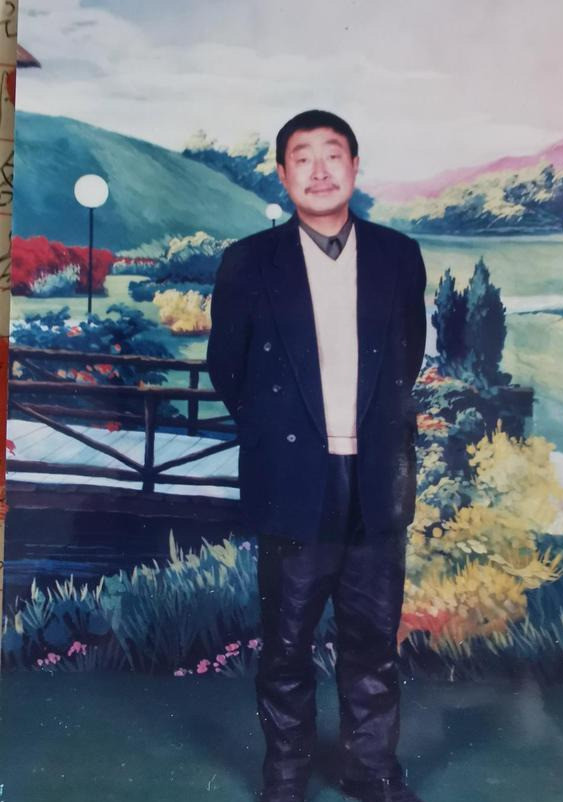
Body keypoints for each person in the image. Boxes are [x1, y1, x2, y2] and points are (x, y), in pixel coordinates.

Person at [207, 109, 427, 802]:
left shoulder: (398, 255)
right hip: (294, 477)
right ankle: (286, 775)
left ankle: (371, 769)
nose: (320, 169)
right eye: (303, 157)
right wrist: (282, 436)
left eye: (334, 154)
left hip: (376, 477)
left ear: (355, 167)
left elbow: (407, 360)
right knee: (286, 644)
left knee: (373, 641)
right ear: (283, 174)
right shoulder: (248, 261)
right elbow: (227, 369)